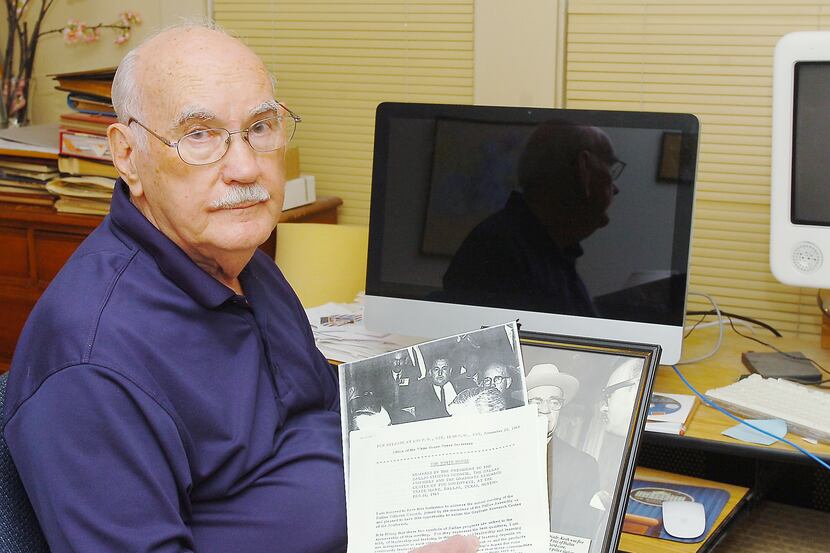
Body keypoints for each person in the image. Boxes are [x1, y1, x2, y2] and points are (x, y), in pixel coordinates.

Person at [1, 23, 477, 553]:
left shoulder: (239, 258)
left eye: (259, 127)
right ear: (127, 155)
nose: (246, 167)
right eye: (199, 135)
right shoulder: (91, 364)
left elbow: (314, 411)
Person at [443, 120, 623, 317]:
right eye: (610, 168)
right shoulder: (499, 251)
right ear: (584, 167)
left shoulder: (544, 250)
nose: (615, 188)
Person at [526, 363, 601, 540]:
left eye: (554, 402)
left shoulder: (583, 466)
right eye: (536, 401)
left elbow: (575, 536)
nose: (545, 410)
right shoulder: (503, 455)